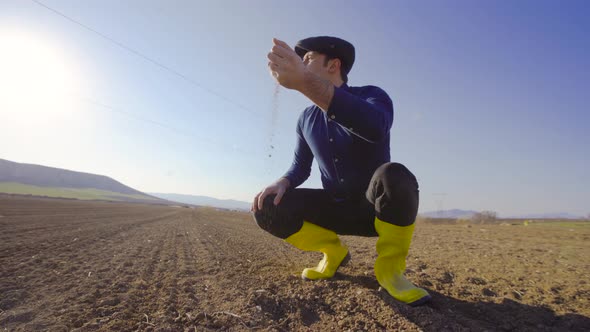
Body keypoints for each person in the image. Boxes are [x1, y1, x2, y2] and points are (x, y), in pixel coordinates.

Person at [252, 36, 431, 306]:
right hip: (335, 209)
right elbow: (301, 166)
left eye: (308, 59)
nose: (301, 64)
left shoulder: (373, 96)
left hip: (375, 210)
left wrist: (304, 82)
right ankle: (332, 252)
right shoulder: (305, 119)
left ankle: (390, 271)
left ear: (333, 64)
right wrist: (283, 181)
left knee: (395, 175)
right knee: (267, 204)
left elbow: (375, 127)